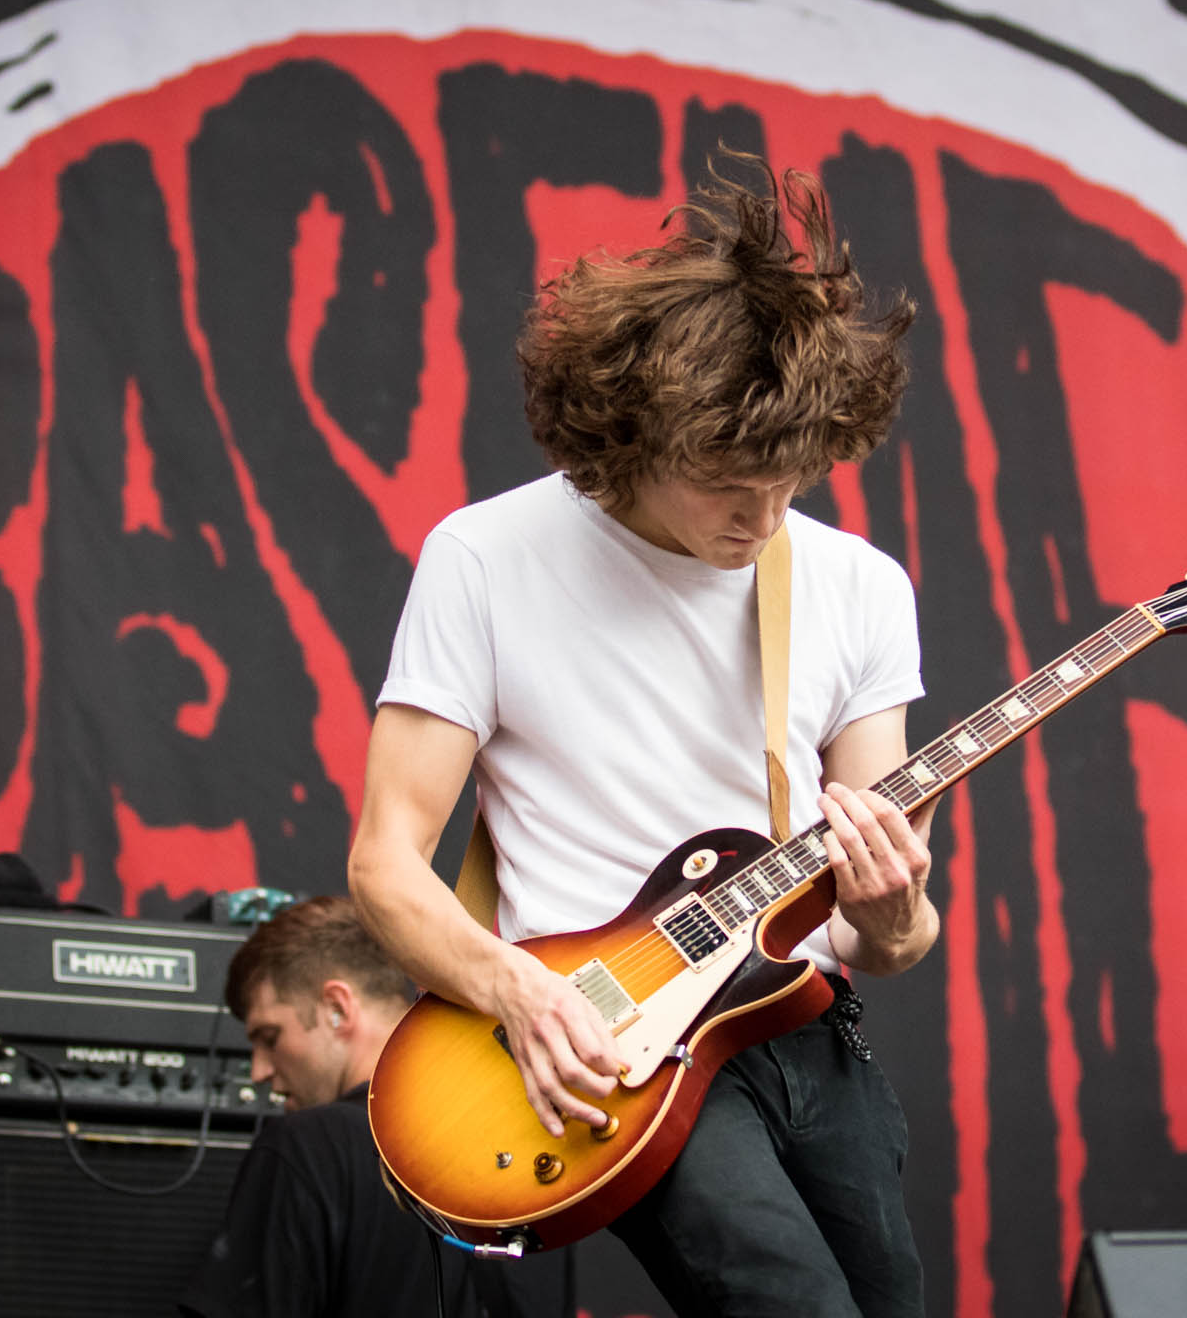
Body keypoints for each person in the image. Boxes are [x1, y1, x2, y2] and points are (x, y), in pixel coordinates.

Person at [347, 156, 935, 1318]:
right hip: (612, 1035)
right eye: (724, 481)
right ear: (626, 433)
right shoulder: (487, 556)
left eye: (791, 480)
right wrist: (516, 995)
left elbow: (898, 938)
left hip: (800, 1021)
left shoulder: (862, 588)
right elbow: (383, 863)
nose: (761, 519)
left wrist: (891, 904)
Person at [179, 896, 569, 1318]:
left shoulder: (306, 1144)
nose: (257, 1070)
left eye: (270, 1037)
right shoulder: (538, 1140)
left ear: (337, 1008)